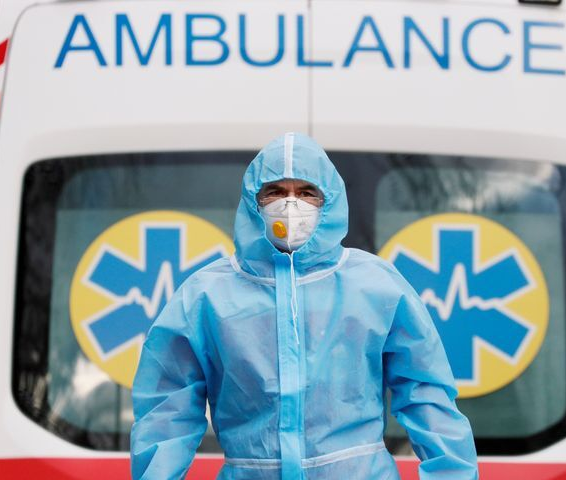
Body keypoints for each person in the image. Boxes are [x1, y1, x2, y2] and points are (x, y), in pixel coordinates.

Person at [130, 133, 478, 480]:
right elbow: (166, 410)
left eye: (307, 192)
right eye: (276, 192)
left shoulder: (375, 284)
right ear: (254, 201)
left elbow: (426, 394)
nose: (291, 204)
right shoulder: (207, 295)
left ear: (330, 201)